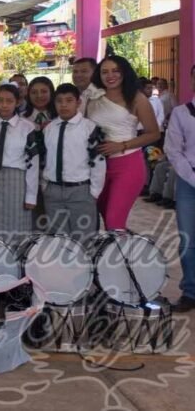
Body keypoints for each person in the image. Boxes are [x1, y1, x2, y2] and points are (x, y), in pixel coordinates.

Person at [86, 55, 161, 230]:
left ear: (124, 73)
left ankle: (120, 256)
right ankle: (126, 253)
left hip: (127, 165)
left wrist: (122, 145)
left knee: (114, 222)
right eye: (104, 72)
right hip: (98, 167)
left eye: (115, 71)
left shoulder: (137, 98)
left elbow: (154, 133)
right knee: (105, 216)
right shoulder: (93, 97)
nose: (110, 75)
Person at [43, 84, 106, 242]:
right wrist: (45, 185)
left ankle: (85, 267)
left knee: (84, 239)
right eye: (59, 101)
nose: (64, 105)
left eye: (69, 100)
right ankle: (64, 267)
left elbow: (98, 161)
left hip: (81, 190)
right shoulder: (49, 128)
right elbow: (44, 159)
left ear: (78, 103)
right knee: (58, 240)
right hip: (53, 191)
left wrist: (94, 192)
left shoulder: (89, 128)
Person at [0, 84, 40, 246]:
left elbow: (33, 163)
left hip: (17, 181)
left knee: (17, 224)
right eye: (0, 100)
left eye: (9, 101)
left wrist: (31, 195)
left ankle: (18, 264)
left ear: (17, 102)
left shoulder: (27, 127)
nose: (4, 105)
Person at [164, 64, 195, 312]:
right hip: (188, 184)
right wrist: (192, 176)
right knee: (188, 241)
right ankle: (190, 291)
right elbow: (173, 150)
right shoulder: (181, 113)